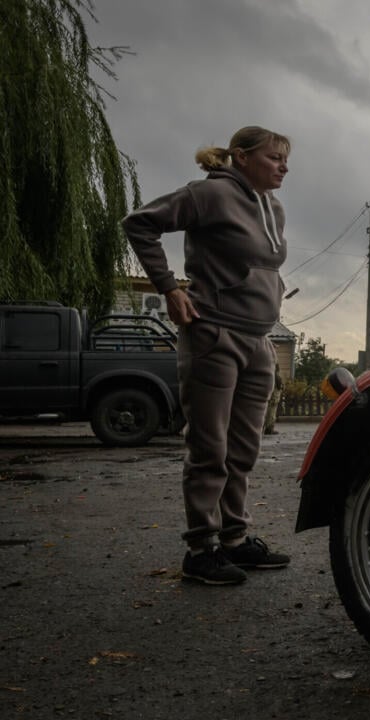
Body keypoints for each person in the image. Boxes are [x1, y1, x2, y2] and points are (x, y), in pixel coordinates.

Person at [122, 126, 292, 585]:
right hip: (214, 335)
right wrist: (169, 288)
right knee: (209, 447)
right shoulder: (209, 195)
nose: (284, 166)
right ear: (240, 156)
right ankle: (201, 549)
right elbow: (140, 223)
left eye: (285, 159)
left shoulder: (272, 207)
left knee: (243, 449)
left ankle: (235, 540)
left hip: (259, 341)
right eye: (274, 157)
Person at [263, 365, 284, 435]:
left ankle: (265, 428)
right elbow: (280, 387)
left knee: (266, 413)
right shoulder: (276, 376)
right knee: (271, 414)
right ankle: (269, 429)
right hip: (274, 399)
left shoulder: (268, 375)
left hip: (269, 398)